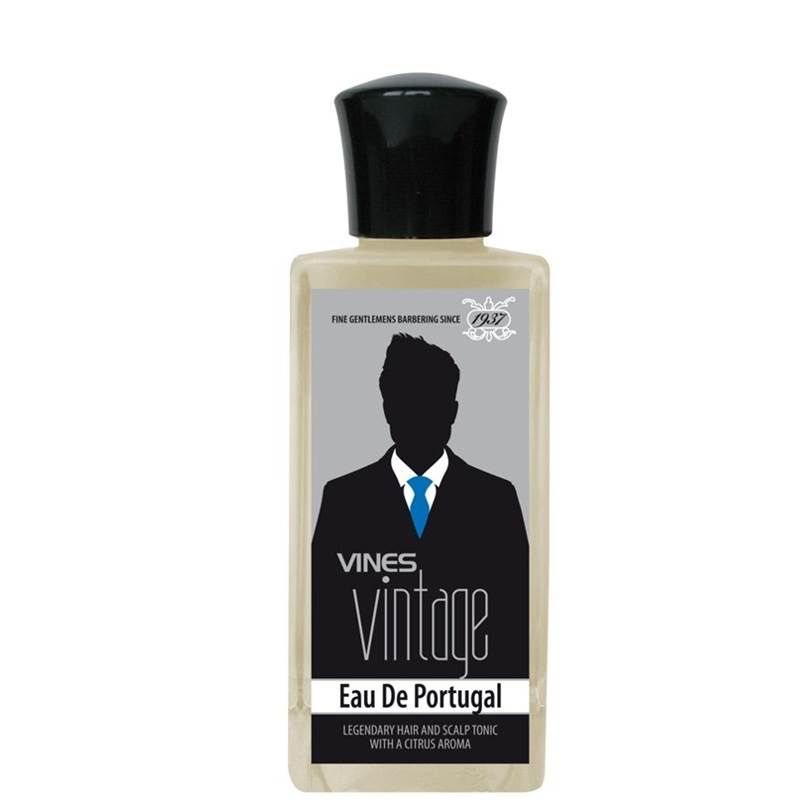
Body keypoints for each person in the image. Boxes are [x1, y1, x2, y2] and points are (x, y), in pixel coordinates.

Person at [312, 334, 528, 678]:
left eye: (432, 402)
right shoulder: (343, 500)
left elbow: (513, 624)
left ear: (452, 412)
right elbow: (328, 626)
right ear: (387, 409)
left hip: (472, 699)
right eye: (406, 402)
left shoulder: (496, 500)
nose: (419, 415)